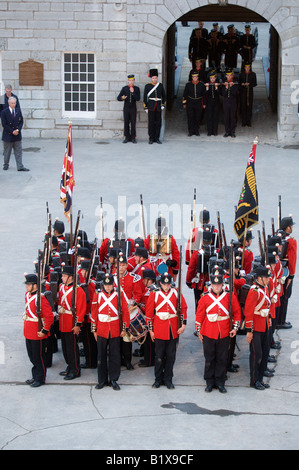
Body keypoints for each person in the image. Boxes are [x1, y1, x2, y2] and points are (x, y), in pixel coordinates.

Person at [195, 271, 241, 393]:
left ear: (222, 285)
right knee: (209, 358)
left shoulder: (229, 296)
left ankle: (220, 382)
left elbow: (237, 313)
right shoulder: (205, 297)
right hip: (209, 331)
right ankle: (209, 382)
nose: (217, 287)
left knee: (222, 358)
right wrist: (199, 331)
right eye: (215, 285)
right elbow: (199, 315)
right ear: (211, 285)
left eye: (219, 285)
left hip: (224, 331)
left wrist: (235, 327)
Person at [146, 272, 187, 389]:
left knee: (170, 356)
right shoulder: (154, 294)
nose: (166, 286)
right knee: (159, 356)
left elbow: (183, 308)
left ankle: (168, 379)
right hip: (159, 328)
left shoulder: (176, 292)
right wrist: (151, 330)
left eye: (168, 284)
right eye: (164, 284)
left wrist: (183, 325)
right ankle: (158, 379)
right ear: (160, 284)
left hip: (172, 328)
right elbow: (149, 313)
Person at [91, 273, 130, 390]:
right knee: (101, 356)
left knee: (115, 356)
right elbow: (94, 313)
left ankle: (113, 379)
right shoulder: (98, 295)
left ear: (113, 284)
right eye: (106, 285)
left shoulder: (119, 295)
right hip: (102, 328)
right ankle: (102, 380)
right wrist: (94, 329)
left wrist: (124, 328)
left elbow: (125, 311)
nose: (108, 287)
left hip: (114, 328)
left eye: (110, 285)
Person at [244, 265, 272, 390]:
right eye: (266, 278)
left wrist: (269, 317)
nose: (268, 280)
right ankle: (254, 380)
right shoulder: (254, 291)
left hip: (264, 324)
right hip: (256, 327)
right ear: (260, 278)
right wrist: (249, 331)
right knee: (256, 355)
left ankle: (260, 379)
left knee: (264, 352)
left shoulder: (264, 288)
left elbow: (267, 305)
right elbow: (249, 312)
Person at [23, 273, 54, 387]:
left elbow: (49, 316)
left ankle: (40, 378)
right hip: (28, 331)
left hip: (37, 332)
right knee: (32, 356)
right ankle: (35, 375)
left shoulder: (40, 298)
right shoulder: (27, 295)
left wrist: (45, 331)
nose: (26, 286)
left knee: (38, 357)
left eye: (29, 284)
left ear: (35, 285)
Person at [57, 265, 87, 380]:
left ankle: (75, 369)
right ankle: (69, 366)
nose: (62, 278)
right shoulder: (61, 287)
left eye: (64, 276)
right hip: (63, 321)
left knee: (72, 348)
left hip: (71, 323)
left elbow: (81, 309)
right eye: (63, 276)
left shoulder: (78, 290)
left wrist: (77, 324)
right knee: (65, 347)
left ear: (71, 278)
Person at [277, 216, 297, 329]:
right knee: (285, 296)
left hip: (279, 271)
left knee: (280, 295)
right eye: (291, 226)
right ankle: (281, 321)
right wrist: (292, 276)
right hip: (287, 272)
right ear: (288, 228)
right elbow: (292, 259)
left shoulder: (278, 237)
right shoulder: (291, 241)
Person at [1, 96, 29, 171]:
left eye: (14, 103)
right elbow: (4, 124)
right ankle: (6, 164)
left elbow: (21, 121)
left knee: (18, 151)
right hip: (8, 135)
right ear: (9, 103)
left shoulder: (18, 110)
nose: (13, 104)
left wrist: (18, 130)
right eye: (12, 103)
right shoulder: (4, 112)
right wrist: (12, 131)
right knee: (7, 152)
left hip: (17, 135)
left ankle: (20, 166)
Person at [143, 68, 166, 144]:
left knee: (158, 123)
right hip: (151, 106)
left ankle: (157, 138)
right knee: (151, 123)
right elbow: (145, 97)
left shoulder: (160, 86)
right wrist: (146, 107)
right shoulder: (147, 86)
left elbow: (164, 96)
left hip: (158, 106)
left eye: (155, 78)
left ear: (157, 78)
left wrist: (163, 105)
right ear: (151, 78)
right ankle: (151, 138)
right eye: (153, 78)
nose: (154, 79)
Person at [117, 74, 140, 143]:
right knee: (126, 122)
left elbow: (138, 99)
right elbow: (118, 98)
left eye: (132, 80)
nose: (131, 82)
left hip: (133, 108)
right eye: (130, 80)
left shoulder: (136, 89)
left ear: (134, 81)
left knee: (133, 123)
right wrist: (122, 98)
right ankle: (127, 137)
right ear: (128, 81)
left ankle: (133, 137)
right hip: (126, 108)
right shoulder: (124, 88)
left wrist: (133, 92)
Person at [182, 70, 206, 137]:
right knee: (190, 117)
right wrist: (184, 103)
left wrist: (204, 103)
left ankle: (196, 131)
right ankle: (190, 131)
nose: (195, 78)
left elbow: (204, 95)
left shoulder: (201, 85)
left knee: (197, 117)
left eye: (196, 77)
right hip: (190, 102)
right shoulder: (188, 85)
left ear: (198, 77)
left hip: (198, 102)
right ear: (192, 78)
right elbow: (185, 94)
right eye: (193, 77)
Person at [220, 69, 239, 138]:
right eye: (228, 75)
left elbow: (234, 93)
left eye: (230, 75)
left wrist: (231, 87)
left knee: (233, 117)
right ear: (226, 76)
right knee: (226, 117)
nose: (229, 77)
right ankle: (227, 131)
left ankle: (232, 131)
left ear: (232, 75)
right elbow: (223, 94)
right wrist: (226, 87)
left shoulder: (235, 83)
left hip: (233, 101)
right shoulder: (224, 83)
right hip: (226, 101)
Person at [205, 70, 220, 136]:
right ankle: (209, 131)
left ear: (215, 78)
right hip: (209, 103)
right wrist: (207, 88)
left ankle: (215, 131)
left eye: (213, 78)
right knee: (209, 117)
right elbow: (205, 95)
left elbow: (220, 94)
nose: (212, 79)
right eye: (211, 78)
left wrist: (216, 88)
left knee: (215, 117)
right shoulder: (208, 84)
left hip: (216, 103)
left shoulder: (217, 84)